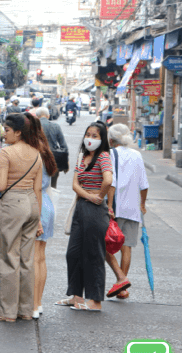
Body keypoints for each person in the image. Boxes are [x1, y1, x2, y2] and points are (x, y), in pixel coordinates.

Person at [0, 113, 43, 322]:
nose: (3, 133)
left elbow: (0, 186)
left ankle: (7, 312)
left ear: (18, 132)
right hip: (31, 205)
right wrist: (39, 219)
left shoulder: (7, 153)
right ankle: (25, 310)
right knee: (26, 259)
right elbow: (38, 189)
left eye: (7, 130)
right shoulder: (37, 154)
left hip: (13, 204)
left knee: (9, 256)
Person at [56, 121, 112, 312]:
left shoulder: (103, 156)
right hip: (81, 205)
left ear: (102, 139)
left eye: (95, 136)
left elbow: (108, 180)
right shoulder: (83, 156)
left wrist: (100, 196)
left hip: (95, 211)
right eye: (88, 134)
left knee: (94, 254)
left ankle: (95, 301)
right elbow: (74, 184)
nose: (90, 138)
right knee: (73, 253)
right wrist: (88, 195)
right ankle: (77, 296)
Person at [105, 124, 149, 300]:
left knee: (104, 244)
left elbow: (108, 182)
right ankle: (122, 288)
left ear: (110, 140)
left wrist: (107, 204)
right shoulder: (137, 155)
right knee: (126, 247)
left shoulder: (108, 154)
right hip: (132, 208)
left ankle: (120, 279)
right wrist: (143, 204)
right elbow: (144, 185)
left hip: (113, 207)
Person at [32, 129, 58, 319]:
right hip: (47, 206)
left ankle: (33, 305)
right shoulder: (46, 155)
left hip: (38, 206)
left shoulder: (36, 158)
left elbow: (36, 190)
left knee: (34, 258)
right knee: (40, 257)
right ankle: (38, 302)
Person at [37, 107, 68, 188]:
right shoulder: (56, 126)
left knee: (38, 184)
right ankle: (52, 199)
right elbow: (63, 146)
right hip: (54, 159)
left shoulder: (33, 127)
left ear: (37, 116)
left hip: (38, 158)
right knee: (53, 185)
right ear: (48, 116)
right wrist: (66, 163)